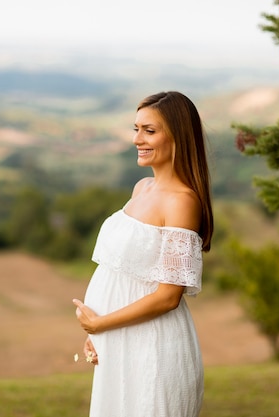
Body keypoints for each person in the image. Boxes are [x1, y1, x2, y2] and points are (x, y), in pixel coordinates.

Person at [73, 91, 214, 417]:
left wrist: (101, 324)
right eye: (136, 129)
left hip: (153, 349)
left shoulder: (181, 201)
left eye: (150, 131)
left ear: (178, 136)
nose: (138, 139)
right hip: (118, 342)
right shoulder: (142, 188)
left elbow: (168, 297)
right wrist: (100, 333)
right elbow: (122, 273)